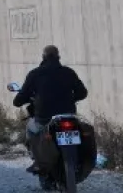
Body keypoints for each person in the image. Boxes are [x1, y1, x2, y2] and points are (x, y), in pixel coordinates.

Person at [12, 44, 88, 175]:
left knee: (31, 130)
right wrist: (71, 99)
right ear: (58, 56)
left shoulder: (35, 74)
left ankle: (38, 161)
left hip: (44, 116)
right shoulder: (68, 72)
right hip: (68, 115)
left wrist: (19, 101)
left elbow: (21, 97)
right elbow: (83, 93)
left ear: (43, 57)